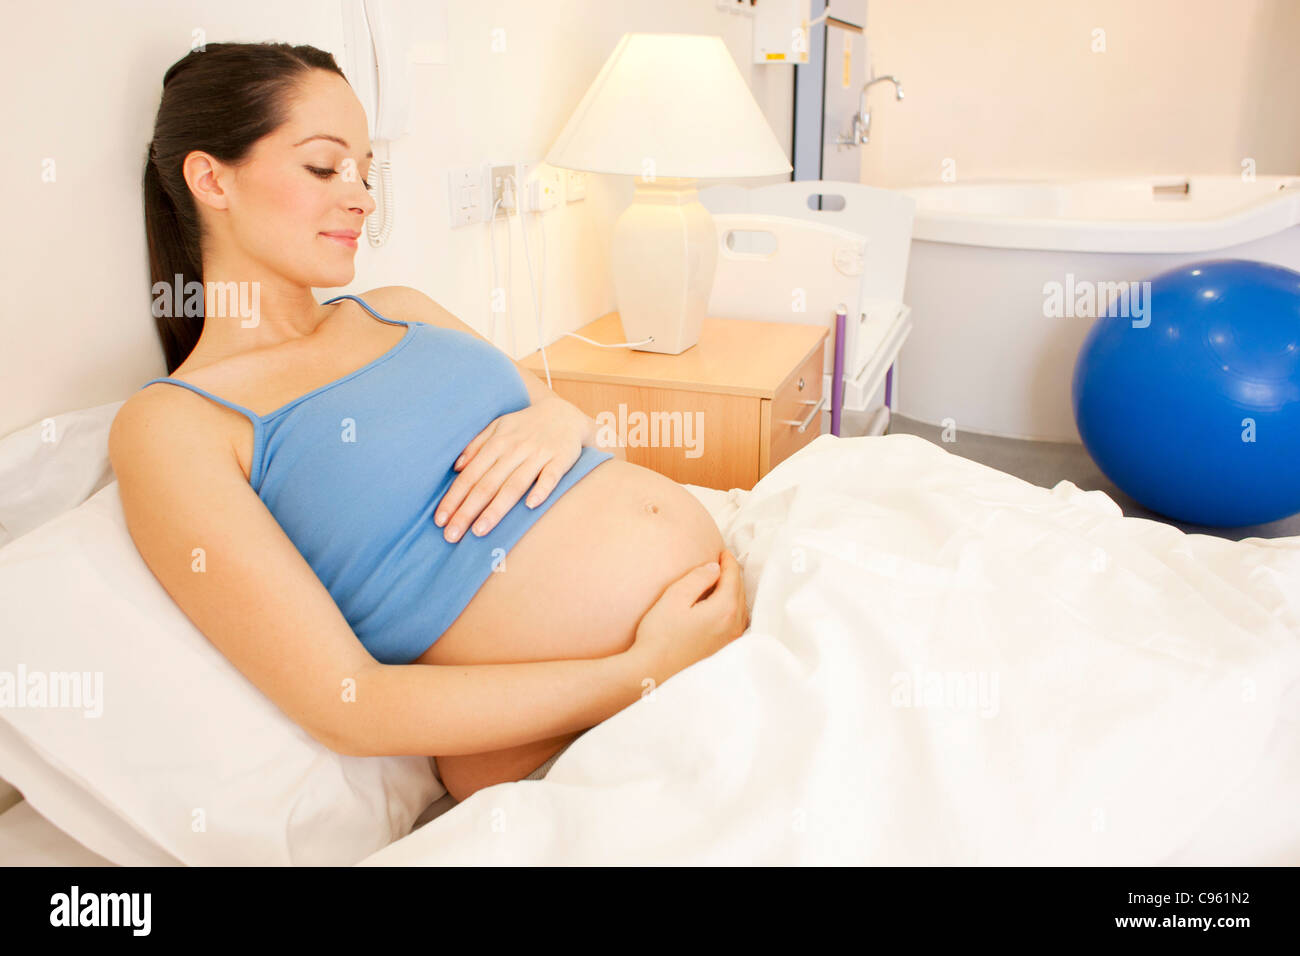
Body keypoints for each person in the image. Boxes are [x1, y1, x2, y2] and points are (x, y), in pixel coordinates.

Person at [110, 42, 748, 803]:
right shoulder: (175, 424)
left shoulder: (401, 310)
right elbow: (348, 702)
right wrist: (639, 672)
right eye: (324, 167)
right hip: (598, 729)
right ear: (211, 177)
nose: (363, 199)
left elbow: (560, 415)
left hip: (713, 637)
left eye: (366, 171)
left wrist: (559, 415)